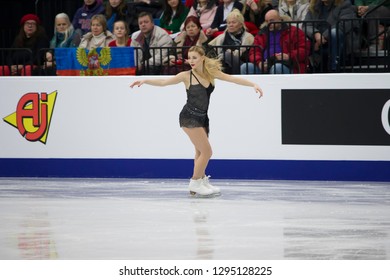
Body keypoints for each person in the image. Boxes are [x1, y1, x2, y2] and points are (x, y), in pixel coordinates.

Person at [130, 45, 263, 196]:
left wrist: (253, 84)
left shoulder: (211, 73)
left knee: (200, 152)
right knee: (207, 151)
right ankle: (195, 182)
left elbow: (231, 78)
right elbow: (164, 82)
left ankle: (201, 181)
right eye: (189, 57)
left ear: (203, 58)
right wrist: (145, 80)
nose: (191, 61)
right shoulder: (186, 76)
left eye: (194, 57)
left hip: (203, 117)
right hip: (189, 117)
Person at [241, 9, 311, 74]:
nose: (269, 23)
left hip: (288, 65)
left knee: (277, 67)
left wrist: (289, 56)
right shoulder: (261, 34)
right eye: (266, 21)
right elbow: (254, 51)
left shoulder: (294, 31)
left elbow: (304, 49)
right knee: (245, 67)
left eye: (271, 20)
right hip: (265, 65)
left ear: (280, 19)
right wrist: (259, 62)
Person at [304, 0, 359, 72]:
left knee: (334, 33)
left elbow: (344, 24)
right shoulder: (314, 7)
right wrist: (316, 34)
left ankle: (334, 67)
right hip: (318, 41)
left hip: (341, 41)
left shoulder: (344, 4)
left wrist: (323, 37)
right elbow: (306, 25)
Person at [208, 9, 254, 74]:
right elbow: (209, 47)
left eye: (233, 22)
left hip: (241, 64)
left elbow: (247, 55)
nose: (230, 25)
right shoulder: (222, 37)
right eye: (229, 23)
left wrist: (232, 54)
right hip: (222, 64)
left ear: (241, 25)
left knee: (227, 55)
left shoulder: (248, 37)